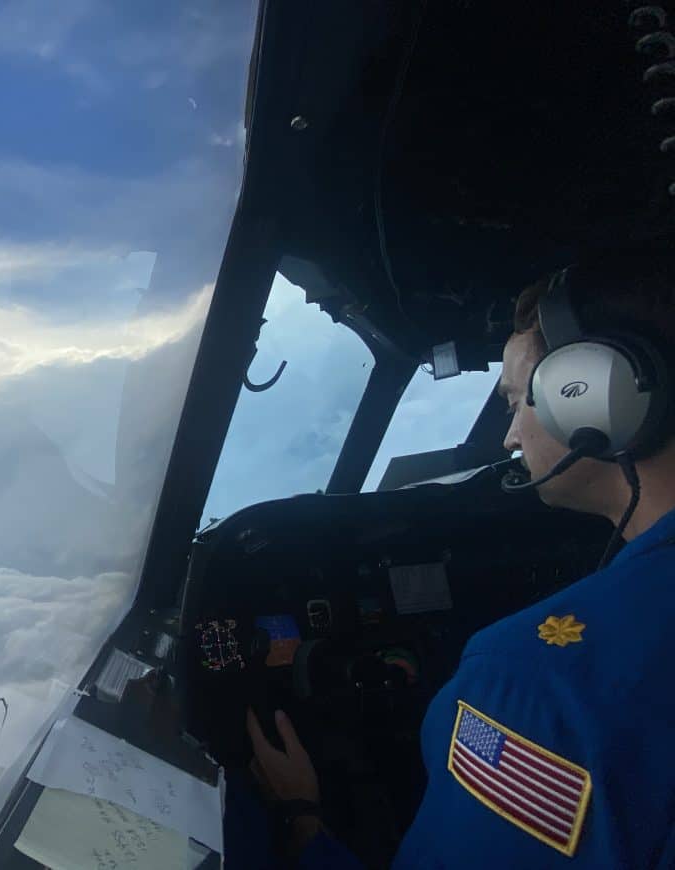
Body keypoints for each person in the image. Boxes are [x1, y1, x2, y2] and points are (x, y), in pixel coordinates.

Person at [245, 246, 675, 867]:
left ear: (592, 395)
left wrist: (303, 819)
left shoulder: (529, 683)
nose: (507, 438)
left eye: (515, 401)